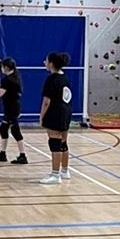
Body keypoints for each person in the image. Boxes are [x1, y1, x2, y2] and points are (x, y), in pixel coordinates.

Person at [38, 52, 74, 184]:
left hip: (55, 112)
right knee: (63, 143)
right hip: (66, 112)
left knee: (55, 144)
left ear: (51, 63)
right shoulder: (65, 78)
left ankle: (55, 175)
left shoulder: (51, 79)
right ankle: (65, 171)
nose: (44, 63)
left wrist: (42, 116)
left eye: (46, 60)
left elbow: (46, 101)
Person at [0, 56, 27, 165]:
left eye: (2, 67)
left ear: (6, 67)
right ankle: (2, 153)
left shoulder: (8, 80)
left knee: (14, 131)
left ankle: (22, 155)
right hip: (12, 107)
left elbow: (0, 93)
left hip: (11, 109)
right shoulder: (16, 77)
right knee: (4, 129)